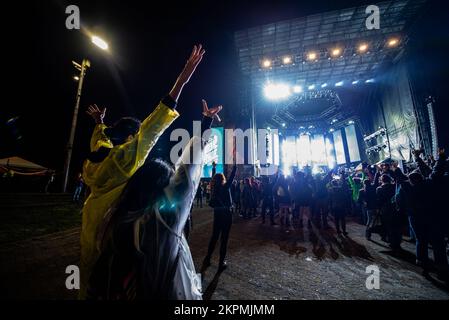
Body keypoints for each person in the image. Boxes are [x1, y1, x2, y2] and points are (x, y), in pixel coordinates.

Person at [79, 45, 205, 299]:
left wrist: (100, 124)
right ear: (128, 138)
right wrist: (182, 79)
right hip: (113, 246)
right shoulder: (123, 160)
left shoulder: (94, 163)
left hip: (90, 247)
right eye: (134, 137)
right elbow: (153, 127)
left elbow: (99, 142)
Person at [88, 98, 222, 300]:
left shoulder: (112, 220)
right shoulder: (165, 221)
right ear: (164, 188)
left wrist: (99, 125)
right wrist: (205, 125)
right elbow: (187, 172)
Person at [202, 162, 237, 272]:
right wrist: (235, 166)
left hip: (217, 215)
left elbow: (214, 178)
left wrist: (213, 168)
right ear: (222, 179)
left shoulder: (214, 189)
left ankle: (207, 258)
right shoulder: (225, 187)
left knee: (214, 237)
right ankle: (221, 262)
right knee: (224, 239)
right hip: (227, 214)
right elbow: (231, 177)